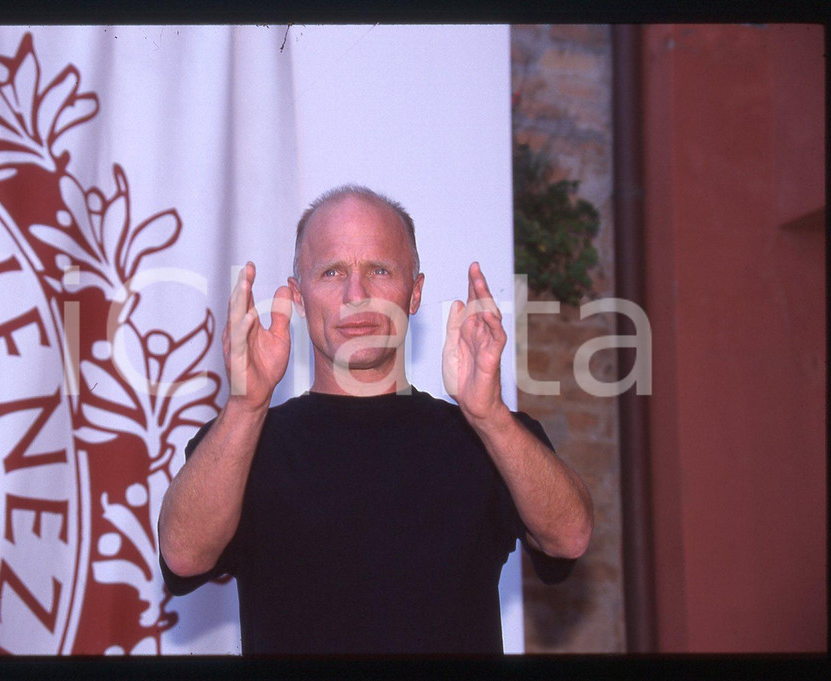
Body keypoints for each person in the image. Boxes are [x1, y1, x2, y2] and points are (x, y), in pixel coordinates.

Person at [158, 185, 593, 655]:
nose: (356, 294)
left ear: (414, 293)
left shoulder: (486, 437)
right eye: (331, 272)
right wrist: (244, 407)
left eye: (379, 270)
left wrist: (489, 415)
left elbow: (569, 537)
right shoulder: (246, 442)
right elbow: (183, 556)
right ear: (299, 298)